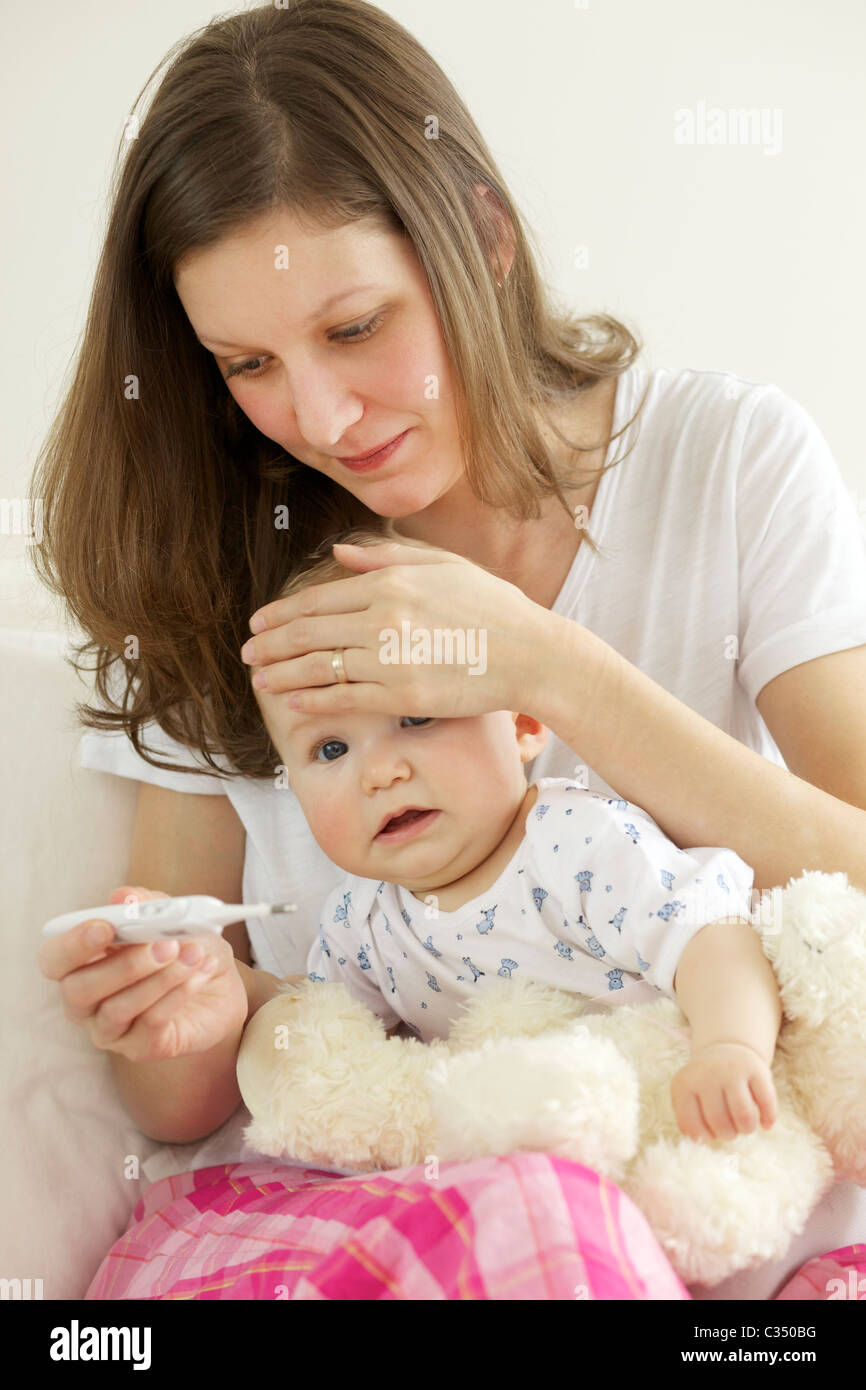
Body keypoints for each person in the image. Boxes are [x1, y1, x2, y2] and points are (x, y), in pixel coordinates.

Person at [31, 0, 866, 1300]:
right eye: (246, 361)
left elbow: (852, 878)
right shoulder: (216, 556)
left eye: (355, 329)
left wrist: (547, 668)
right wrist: (181, 1015)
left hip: (680, 1205)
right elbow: (183, 1098)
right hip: (363, 1225)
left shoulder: (727, 461)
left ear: (480, 238)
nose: (316, 414)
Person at [252, 529, 779, 1149]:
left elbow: (712, 935)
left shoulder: (575, 845)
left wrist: (728, 1046)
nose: (380, 772)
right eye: (330, 748)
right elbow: (326, 1041)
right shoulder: (360, 922)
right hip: (508, 1160)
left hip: (661, 1118)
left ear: (524, 723)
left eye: (417, 717)